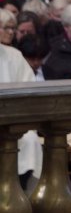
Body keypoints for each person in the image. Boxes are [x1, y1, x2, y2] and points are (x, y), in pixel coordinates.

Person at [0, 41, 42, 183]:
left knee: (30, 141)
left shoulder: (13, 56)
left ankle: (21, 195)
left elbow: (29, 95)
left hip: (13, 127)